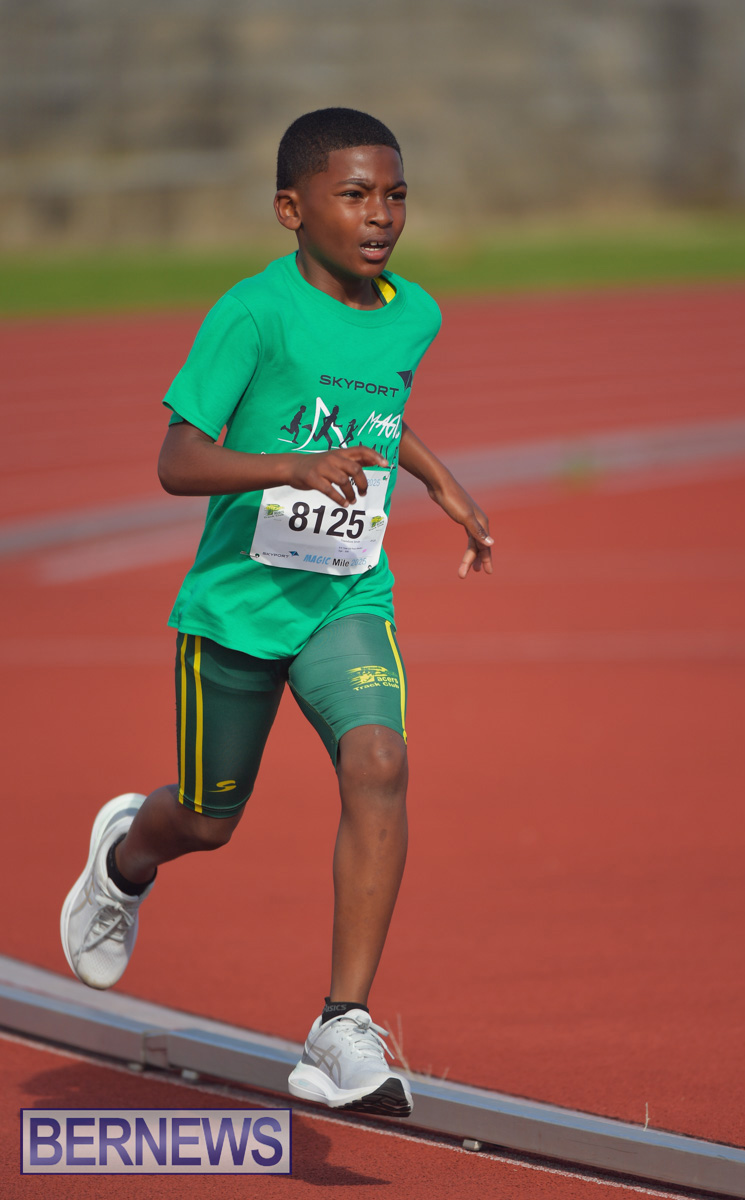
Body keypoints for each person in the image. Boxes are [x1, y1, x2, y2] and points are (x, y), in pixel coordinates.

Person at [60, 107, 493, 1118]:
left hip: (345, 591)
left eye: (395, 195)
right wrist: (291, 467)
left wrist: (437, 480)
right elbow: (178, 460)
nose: (380, 215)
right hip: (237, 608)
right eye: (355, 195)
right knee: (206, 821)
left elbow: (377, 408)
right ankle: (125, 856)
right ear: (291, 210)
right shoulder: (251, 314)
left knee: (379, 760)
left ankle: (343, 1024)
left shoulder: (413, 313)